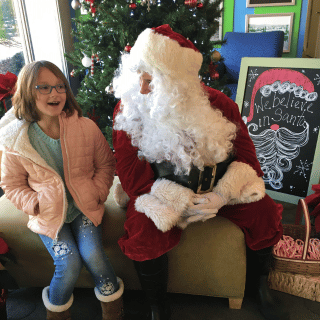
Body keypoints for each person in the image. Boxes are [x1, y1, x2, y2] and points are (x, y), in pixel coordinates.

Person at [111, 25, 290, 320]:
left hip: (219, 190)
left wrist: (222, 195)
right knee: (142, 228)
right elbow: (130, 174)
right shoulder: (128, 111)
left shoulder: (219, 104)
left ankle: (260, 287)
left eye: (150, 82)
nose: (142, 90)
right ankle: (158, 306)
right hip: (162, 192)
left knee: (265, 211)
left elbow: (248, 158)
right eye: (138, 80)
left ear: (177, 82)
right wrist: (177, 198)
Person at [0, 61, 124, 320]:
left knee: (94, 256)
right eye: (43, 87)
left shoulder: (85, 127)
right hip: (49, 214)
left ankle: (114, 311)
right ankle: (56, 314)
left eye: (59, 87)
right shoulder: (15, 139)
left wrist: (98, 192)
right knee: (68, 263)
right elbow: (11, 184)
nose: (54, 94)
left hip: (84, 207)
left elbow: (106, 164)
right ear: (27, 91)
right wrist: (35, 205)